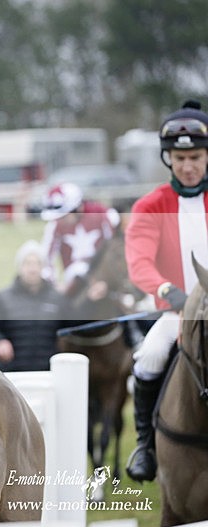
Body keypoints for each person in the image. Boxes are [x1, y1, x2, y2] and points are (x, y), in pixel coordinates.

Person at [124, 100, 208, 482]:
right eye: (180, 158)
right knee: (151, 354)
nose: (188, 166)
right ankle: (145, 445)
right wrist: (166, 290)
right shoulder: (150, 206)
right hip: (177, 311)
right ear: (168, 159)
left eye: (195, 157)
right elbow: (139, 261)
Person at [0, 240, 68, 372]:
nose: (32, 269)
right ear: (20, 267)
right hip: (13, 374)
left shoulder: (57, 298)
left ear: (43, 267)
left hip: (49, 373)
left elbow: (74, 326)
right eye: (28, 263)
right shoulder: (4, 298)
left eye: (37, 263)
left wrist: (88, 298)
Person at [40, 182, 120, 294]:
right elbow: (46, 260)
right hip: (74, 281)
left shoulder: (104, 216)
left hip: (105, 276)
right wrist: (54, 286)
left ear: (77, 208)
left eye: (64, 216)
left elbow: (115, 249)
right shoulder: (54, 226)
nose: (60, 220)